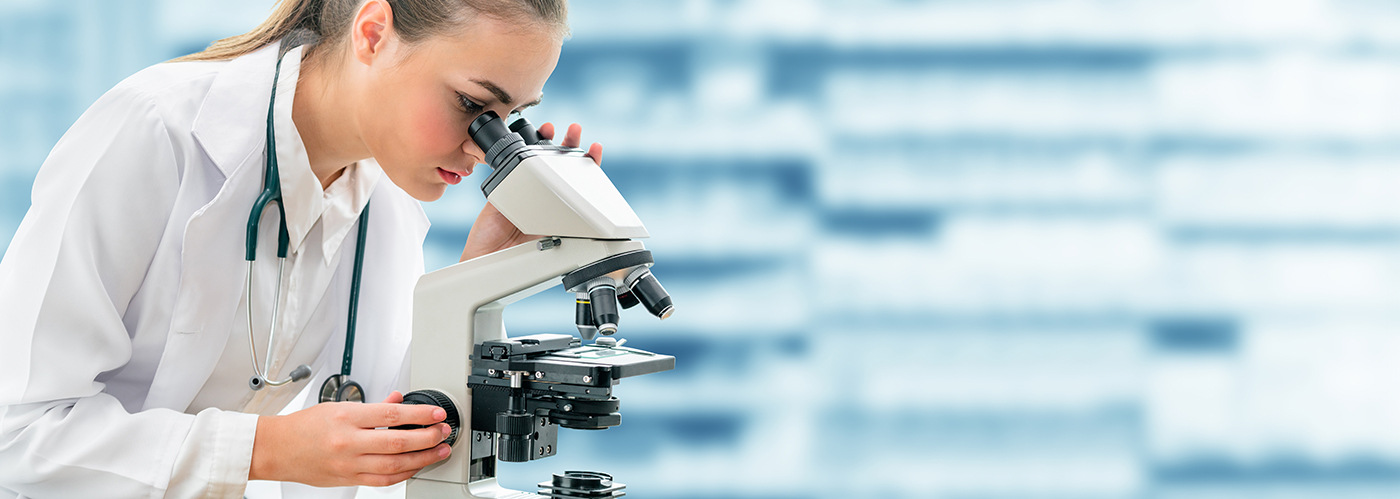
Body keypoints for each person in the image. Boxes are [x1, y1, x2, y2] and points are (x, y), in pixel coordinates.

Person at [0, 0, 600, 497]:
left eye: (510, 117)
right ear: (373, 34)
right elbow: (17, 434)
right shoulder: (156, 130)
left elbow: (390, 437)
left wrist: (485, 275)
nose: (481, 146)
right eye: (473, 106)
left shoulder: (384, 202)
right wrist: (265, 448)